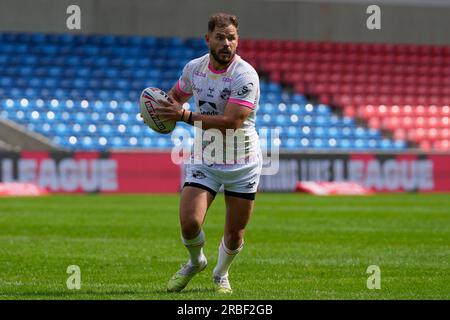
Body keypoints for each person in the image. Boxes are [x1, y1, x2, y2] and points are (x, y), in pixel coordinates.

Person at [153, 13, 262, 294]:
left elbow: (232, 123)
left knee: (235, 235)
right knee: (190, 223)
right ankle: (195, 261)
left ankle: (220, 274)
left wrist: (184, 115)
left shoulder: (245, 75)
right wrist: (158, 112)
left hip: (243, 162)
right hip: (206, 158)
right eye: (221, 37)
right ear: (208, 39)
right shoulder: (194, 69)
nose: (227, 43)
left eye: (232, 38)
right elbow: (175, 97)